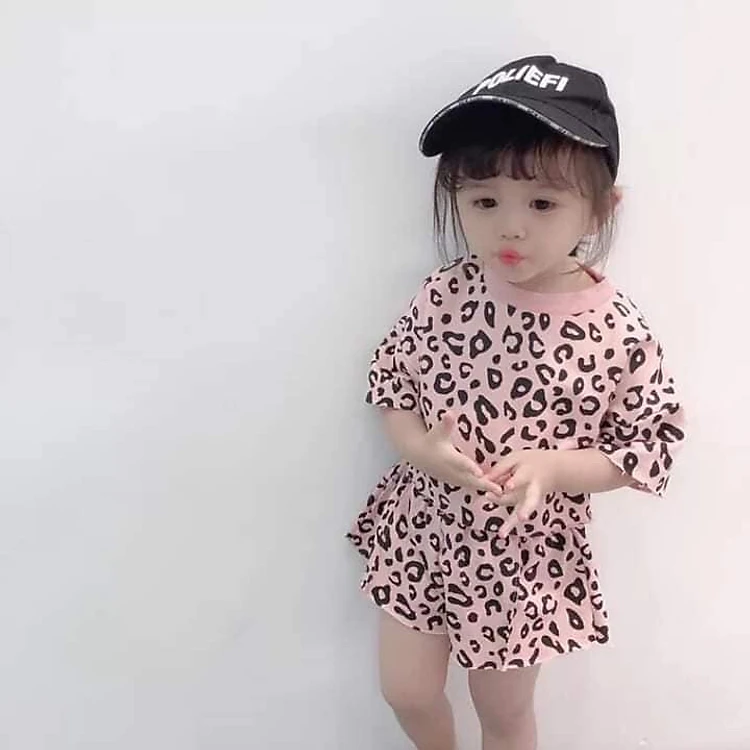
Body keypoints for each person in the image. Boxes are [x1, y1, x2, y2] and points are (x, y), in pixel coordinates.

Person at [347, 55, 686, 750]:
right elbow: (391, 384)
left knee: (502, 713)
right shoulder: (446, 293)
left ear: (601, 207)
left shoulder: (615, 332)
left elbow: (649, 444)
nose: (509, 228)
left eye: (541, 204)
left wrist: (558, 468)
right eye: (484, 202)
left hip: (519, 561)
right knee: (406, 690)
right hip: (423, 531)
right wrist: (418, 449)